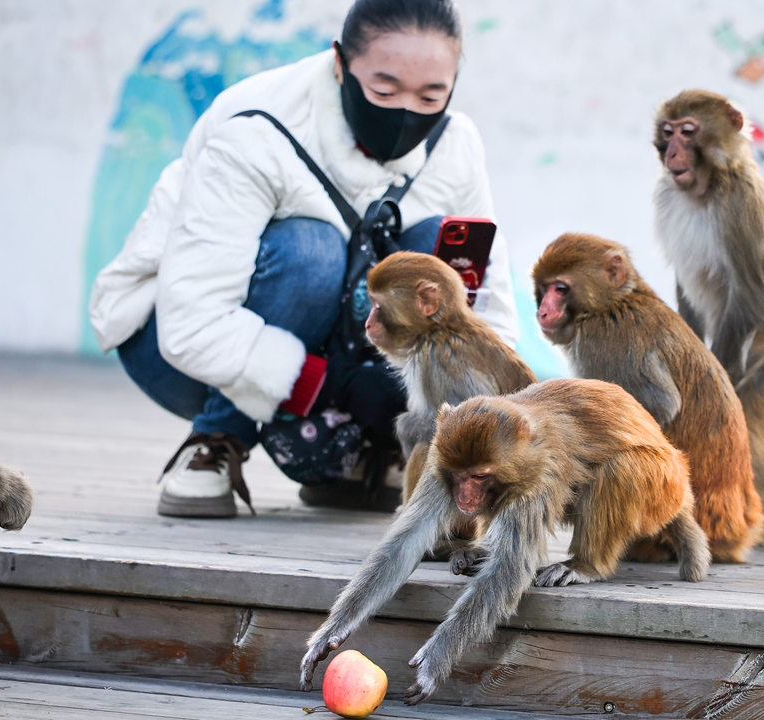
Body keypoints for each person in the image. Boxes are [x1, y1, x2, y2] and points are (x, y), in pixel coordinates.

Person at [88, 0, 518, 519]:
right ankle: (217, 439)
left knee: (438, 249)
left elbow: (488, 312)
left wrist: (438, 404)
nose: (407, 110)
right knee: (310, 251)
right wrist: (336, 384)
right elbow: (191, 325)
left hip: (342, 337)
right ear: (339, 63)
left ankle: (370, 455)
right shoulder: (257, 127)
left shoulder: (457, 144)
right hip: (174, 350)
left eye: (432, 95)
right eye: (384, 90)